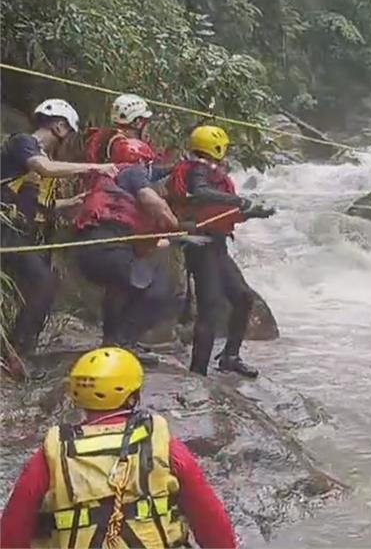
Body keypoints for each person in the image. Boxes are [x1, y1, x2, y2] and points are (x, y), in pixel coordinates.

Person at [0, 346, 237, 549]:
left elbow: (11, 534)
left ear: (76, 396)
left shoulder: (51, 454)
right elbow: (211, 521)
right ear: (133, 398)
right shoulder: (164, 445)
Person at [0, 99, 118, 360]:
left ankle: (19, 347)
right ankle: (16, 351)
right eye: (68, 135)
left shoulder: (38, 156)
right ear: (60, 127)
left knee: (42, 283)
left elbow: (37, 204)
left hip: (20, 232)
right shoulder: (23, 142)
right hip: (5, 230)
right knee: (43, 282)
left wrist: (69, 203)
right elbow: (45, 169)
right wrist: (95, 167)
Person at [166, 125, 275, 378]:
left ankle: (230, 357)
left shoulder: (206, 171)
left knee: (243, 298)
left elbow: (217, 213)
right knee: (210, 309)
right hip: (201, 247)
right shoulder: (198, 170)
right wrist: (238, 201)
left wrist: (253, 212)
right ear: (215, 147)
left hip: (216, 246)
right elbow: (200, 192)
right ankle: (198, 371)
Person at [75, 138, 183, 361]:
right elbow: (150, 199)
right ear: (141, 161)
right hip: (109, 251)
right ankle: (124, 343)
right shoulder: (134, 172)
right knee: (159, 287)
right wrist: (176, 226)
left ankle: (112, 340)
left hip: (89, 253)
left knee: (119, 288)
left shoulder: (110, 177)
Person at [84, 94, 155, 164]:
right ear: (137, 122)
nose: (148, 128)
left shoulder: (103, 137)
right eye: (146, 121)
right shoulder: (132, 148)